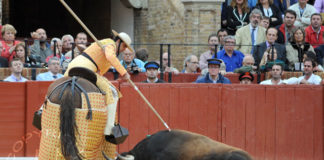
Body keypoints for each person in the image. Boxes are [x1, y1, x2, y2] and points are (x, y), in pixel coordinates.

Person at [63, 30, 132, 155]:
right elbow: (110, 57)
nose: (124, 49)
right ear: (118, 41)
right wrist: (124, 72)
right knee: (113, 92)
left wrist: (118, 77)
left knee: (61, 84)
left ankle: (41, 110)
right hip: (87, 68)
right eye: (124, 46)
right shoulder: (110, 43)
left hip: (74, 64)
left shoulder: (103, 44)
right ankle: (109, 128)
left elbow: (101, 71)